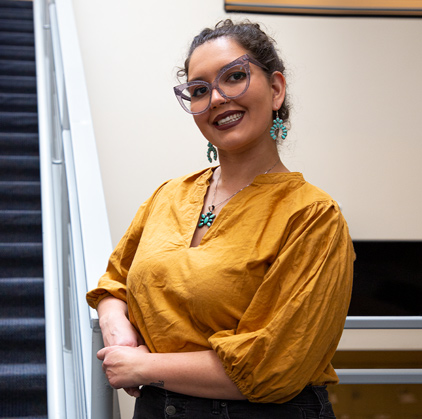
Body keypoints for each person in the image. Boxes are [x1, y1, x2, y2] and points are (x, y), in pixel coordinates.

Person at [86, 19, 354, 419]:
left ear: (276, 89)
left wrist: (142, 367)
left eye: (235, 77)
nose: (216, 98)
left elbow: (272, 367)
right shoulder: (168, 196)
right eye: (199, 90)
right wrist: (116, 330)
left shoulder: (313, 217)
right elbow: (114, 283)